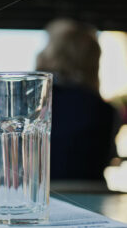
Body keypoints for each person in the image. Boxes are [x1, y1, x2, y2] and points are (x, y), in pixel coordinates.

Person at [36, 19, 120, 180]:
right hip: (89, 196)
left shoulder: (29, 103)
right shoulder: (103, 110)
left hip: (31, 195)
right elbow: (107, 157)